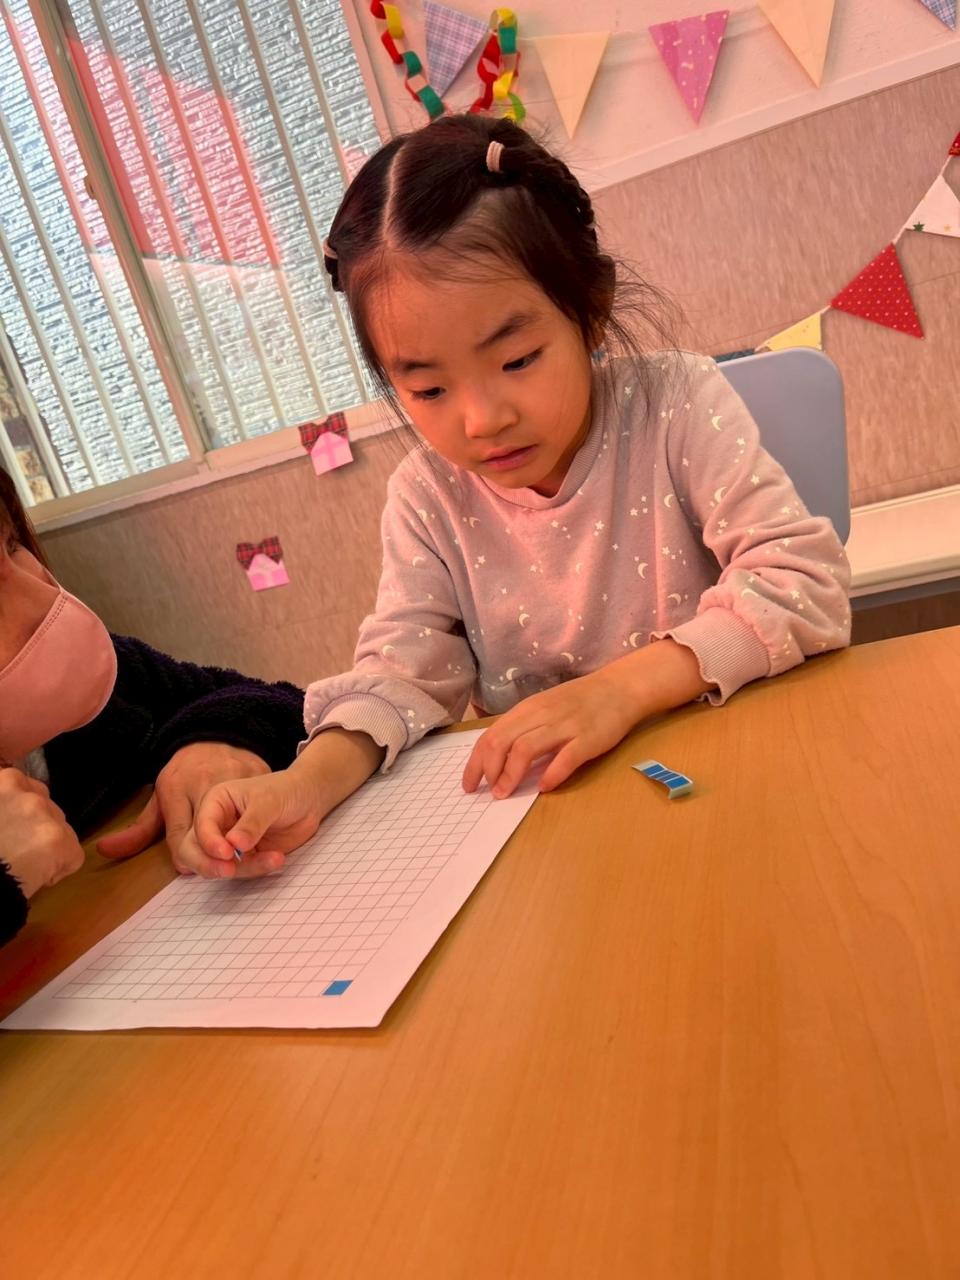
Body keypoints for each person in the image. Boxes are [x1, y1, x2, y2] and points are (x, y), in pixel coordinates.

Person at [186, 113, 851, 880]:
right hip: (559, 830)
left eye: (518, 359)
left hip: (728, 774)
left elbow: (803, 584)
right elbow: (402, 676)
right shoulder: (427, 498)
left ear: (590, 306)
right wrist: (304, 783)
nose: (481, 420)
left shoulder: (675, 404)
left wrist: (618, 692)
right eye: (428, 389)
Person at [0, 464, 305, 944]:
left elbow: (280, 699)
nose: (38, 589)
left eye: (12, 543)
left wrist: (215, 738)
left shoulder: (101, 674)